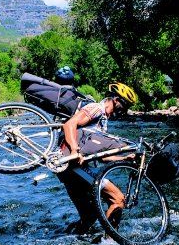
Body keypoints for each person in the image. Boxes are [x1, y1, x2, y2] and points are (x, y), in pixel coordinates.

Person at [56, 82, 139, 235]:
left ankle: (68, 242)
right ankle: (108, 243)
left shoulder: (102, 123)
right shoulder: (96, 108)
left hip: (70, 170)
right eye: (124, 105)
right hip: (74, 165)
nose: (124, 110)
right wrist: (75, 150)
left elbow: (102, 159)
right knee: (118, 199)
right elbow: (69, 125)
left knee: (89, 217)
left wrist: (125, 158)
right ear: (115, 99)